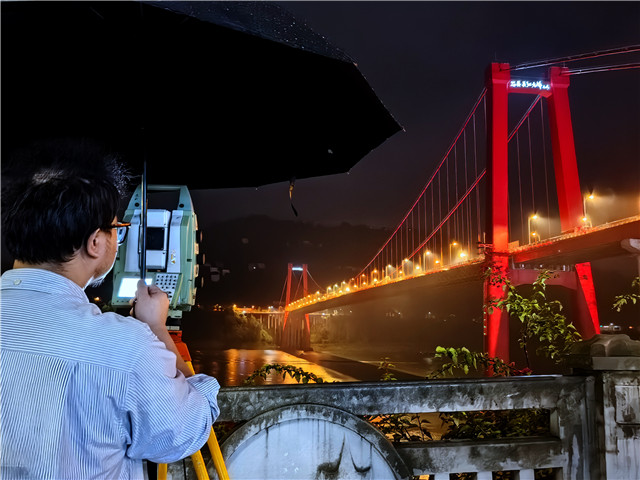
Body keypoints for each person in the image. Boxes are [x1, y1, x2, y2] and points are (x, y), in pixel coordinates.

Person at [0, 141, 220, 479]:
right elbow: (182, 432)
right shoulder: (126, 347)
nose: (117, 239)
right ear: (95, 242)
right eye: (117, 229)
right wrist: (156, 330)